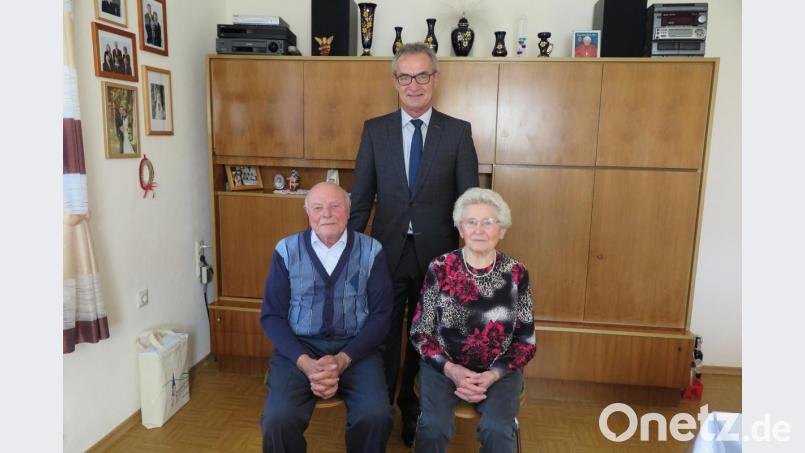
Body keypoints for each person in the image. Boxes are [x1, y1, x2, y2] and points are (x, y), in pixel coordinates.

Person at [348, 41, 479, 447]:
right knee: (383, 337)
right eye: (405, 76)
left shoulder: (457, 133)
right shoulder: (375, 130)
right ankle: (378, 413)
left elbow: (469, 204)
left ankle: (414, 411)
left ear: (435, 79)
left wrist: (467, 264)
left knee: (425, 342)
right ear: (395, 81)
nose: (414, 84)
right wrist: (348, 255)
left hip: (438, 261)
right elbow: (361, 198)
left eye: (422, 75)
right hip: (384, 254)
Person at [260, 182, 395, 453]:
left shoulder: (372, 251)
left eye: (335, 206)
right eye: (318, 207)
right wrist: (305, 362)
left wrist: (343, 359)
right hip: (300, 348)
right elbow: (272, 316)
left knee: (375, 415)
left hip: (356, 349)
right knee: (278, 418)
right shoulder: (286, 250)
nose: (327, 214)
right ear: (307, 212)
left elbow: (381, 315)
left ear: (348, 210)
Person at [410, 188, 536, 453]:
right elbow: (421, 332)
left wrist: (492, 375)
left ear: (502, 230)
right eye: (471, 222)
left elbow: (526, 341)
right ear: (460, 228)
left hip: (499, 371)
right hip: (443, 368)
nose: (479, 229)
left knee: (497, 430)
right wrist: (451, 370)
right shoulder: (440, 267)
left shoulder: (517, 273)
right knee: (434, 426)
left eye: (488, 222)